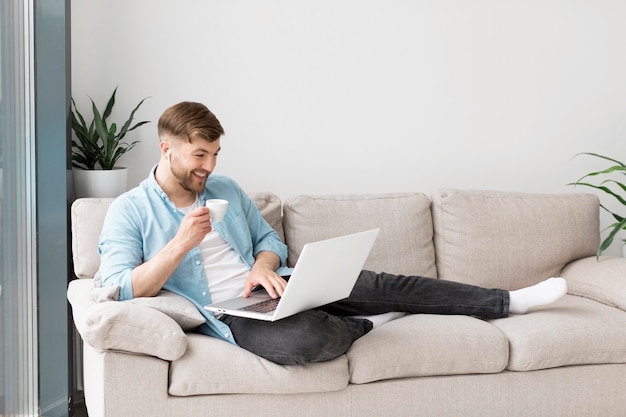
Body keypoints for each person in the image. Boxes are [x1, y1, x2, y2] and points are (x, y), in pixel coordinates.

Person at [98, 101, 568, 365]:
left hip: (279, 284)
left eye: (216, 154)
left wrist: (264, 269)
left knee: (386, 283)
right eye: (200, 155)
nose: (210, 166)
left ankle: (508, 302)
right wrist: (182, 243)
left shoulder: (224, 188)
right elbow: (118, 288)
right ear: (167, 149)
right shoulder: (130, 211)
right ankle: (368, 323)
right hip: (231, 315)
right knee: (300, 343)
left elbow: (269, 242)